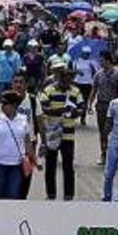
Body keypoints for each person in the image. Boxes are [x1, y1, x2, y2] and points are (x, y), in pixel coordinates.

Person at [39, 67, 84, 201]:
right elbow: (43, 108)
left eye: (70, 79)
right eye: (65, 78)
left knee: (68, 166)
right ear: (59, 77)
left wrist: (76, 112)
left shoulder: (75, 91)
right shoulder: (49, 90)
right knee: (50, 166)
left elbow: (82, 107)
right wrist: (60, 110)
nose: (67, 81)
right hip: (52, 133)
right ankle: (51, 194)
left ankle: (69, 195)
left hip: (68, 135)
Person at [0, 90, 34, 200]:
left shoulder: (23, 119)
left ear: (14, 105)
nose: (2, 106)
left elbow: (27, 141)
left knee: (13, 193)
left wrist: (33, 159)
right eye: (2, 103)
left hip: (16, 163)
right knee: (0, 192)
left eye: (5, 104)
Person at [91, 53, 118, 164]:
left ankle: (114, 154)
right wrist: (90, 103)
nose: (101, 63)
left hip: (114, 106)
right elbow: (94, 89)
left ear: (108, 61)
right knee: (103, 131)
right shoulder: (98, 75)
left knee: (114, 131)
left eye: (102, 60)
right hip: (101, 105)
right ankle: (103, 153)